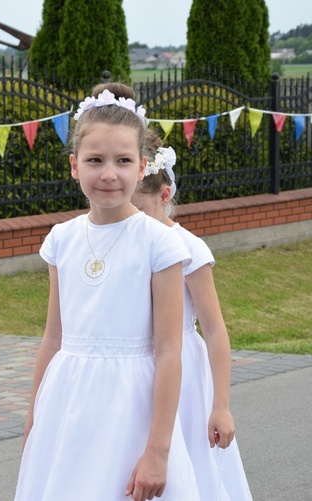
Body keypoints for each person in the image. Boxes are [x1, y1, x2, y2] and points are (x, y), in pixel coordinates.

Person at [15, 83, 200, 501]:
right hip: (67, 405)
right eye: (95, 160)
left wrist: (157, 450)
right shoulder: (61, 239)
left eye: (123, 160)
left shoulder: (160, 243)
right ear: (74, 166)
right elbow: (53, 338)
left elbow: (171, 350)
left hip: (131, 408)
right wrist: (34, 417)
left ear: (142, 168)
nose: (109, 173)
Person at [131, 131, 253, 501]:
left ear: (164, 197)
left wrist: (221, 406)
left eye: (138, 208)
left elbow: (215, 331)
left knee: (187, 463)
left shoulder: (189, 247)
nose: (131, 218)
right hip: (138, 365)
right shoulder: (131, 242)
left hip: (182, 369)